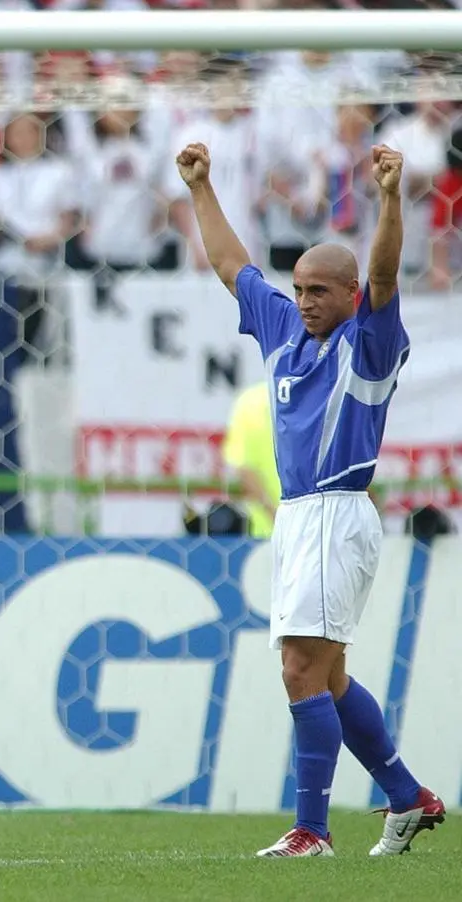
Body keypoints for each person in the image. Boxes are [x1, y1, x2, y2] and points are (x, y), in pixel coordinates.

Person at [175, 140, 445, 858]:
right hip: (297, 519)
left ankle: (313, 831)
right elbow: (234, 266)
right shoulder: (282, 330)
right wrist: (201, 188)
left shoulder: (371, 341)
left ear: (349, 296)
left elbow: (385, 272)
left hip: (336, 509)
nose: (304, 301)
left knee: (299, 668)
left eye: (319, 291)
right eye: (299, 289)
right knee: (327, 675)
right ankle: (408, 798)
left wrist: (389, 199)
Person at [221, 381, 279, 539]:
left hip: (268, 530)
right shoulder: (314, 393)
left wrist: (277, 518)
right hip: (312, 529)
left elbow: (244, 470)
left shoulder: (250, 401)